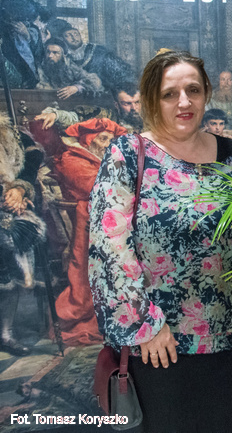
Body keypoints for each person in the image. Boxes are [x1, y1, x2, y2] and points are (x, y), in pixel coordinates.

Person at [88, 50, 232, 432]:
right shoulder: (128, 154)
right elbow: (109, 248)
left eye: (193, 90)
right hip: (158, 345)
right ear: (152, 99)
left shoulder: (230, 154)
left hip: (227, 339)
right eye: (169, 94)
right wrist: (144, 325)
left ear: (206, 93)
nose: (184, 102)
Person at [47, 118, 128, 346]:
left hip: (110, 217)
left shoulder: (107, 158)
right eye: (103, 139)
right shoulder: (71, 159)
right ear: (88, 140)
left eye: (111, 140)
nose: (108, 144)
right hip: (85, 226)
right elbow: (98, 188)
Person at [0, 113, 46, 356]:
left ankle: (5, 334)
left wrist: (19, 189)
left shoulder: (13, 134)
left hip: (10, 214)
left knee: (14, 278)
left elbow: (33, 158)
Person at [47, 19, 134, 89]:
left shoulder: (98, 50)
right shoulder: (62, 56)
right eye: (69, 35)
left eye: (76, 34)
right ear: (62, 39)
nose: (74, 38)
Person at [35, 81, 144, 134]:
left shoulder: (150, 118)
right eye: (127, 104)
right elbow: (75, 117)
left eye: (137, 102)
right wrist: (56, 115)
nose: (134, 108)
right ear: (117, 105)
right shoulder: (106, 116)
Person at [37, 38, 103, 99]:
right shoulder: (39, 68)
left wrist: (76, 87)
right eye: (48, 52)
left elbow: (95, 81)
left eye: (55, 53)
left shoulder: (70, 67)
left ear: (64, 55)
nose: (50, 56)